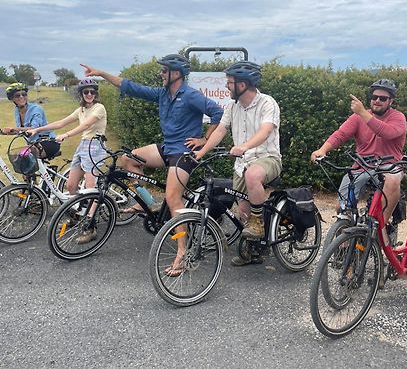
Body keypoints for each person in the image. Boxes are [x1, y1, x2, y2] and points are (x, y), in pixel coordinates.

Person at [80, 54, 223, 274]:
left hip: (184, 153)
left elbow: (217, 112)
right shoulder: (163, 93)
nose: (161, 74)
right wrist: (100, 73)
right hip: (167, 148)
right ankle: (144, 201)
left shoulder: (191, 95)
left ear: (176, 73)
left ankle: (182, 254)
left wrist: (204, 139)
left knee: (172, 198)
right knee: (128, 159)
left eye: (164, 70)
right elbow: (129, 86)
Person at [195, 61, 282, 266]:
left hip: (267, 158)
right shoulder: (232, 107)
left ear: (242, 85)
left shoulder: (267, 103)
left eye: (229, 82)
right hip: (242, 164)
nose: (226, 86)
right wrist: (202, 152)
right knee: (243, 213)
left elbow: (266, 130)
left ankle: (259, 224)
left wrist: (244, 146)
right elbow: (219, 131)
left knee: (253, 175)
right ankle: (255, 251)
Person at [311, 79, 407, 228]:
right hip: (362, 165)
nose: (377, 101)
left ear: (391, 101)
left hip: (389, 164)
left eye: (383, 98)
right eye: (374, 97)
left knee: (393, 180)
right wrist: (322, 150)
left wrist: (362, 112)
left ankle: (380, 226)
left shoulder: (398, 117)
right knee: (341, 207)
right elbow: (340, 134)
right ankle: (344, 243)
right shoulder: (358, 117)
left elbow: (386, 132)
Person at [29, 79, 108, 243]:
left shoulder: (99, 108)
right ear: (81, 94)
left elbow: (86, 125)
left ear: (96, 93)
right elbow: (61, 122)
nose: (89, 95)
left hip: (95, 146)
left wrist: (66, 135)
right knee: (70, 185)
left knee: (91, 188)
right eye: (86, 92)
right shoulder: (81, 109)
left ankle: (91, 226)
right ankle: (79, 215)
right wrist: (38, 129)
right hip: (83, 146)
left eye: (92, 91)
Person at [1, 82, 60, 159]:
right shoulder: (17, 111)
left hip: (48, 142)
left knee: (23, 159)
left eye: (24, 94)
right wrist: (6, 132)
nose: (21, 97)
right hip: (33, 144)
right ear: (12, 98)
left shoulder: (36, 109)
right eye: (17, 95)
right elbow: (22, 131)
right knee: (19, 158)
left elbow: (34, 129)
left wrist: (14, 128)